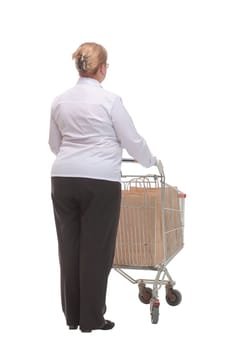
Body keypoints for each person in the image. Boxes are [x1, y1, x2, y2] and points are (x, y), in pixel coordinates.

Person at [49, 42, 158, 332]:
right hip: (100, 181)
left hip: (63, 179)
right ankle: (92, 319)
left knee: (69, 249)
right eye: (106, 66)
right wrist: (150, 161)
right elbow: (132, 141)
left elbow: (54, 144)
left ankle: (73, 317)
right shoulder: (110, 101)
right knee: (96, 251)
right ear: (101, 69)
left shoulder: (60, 100)